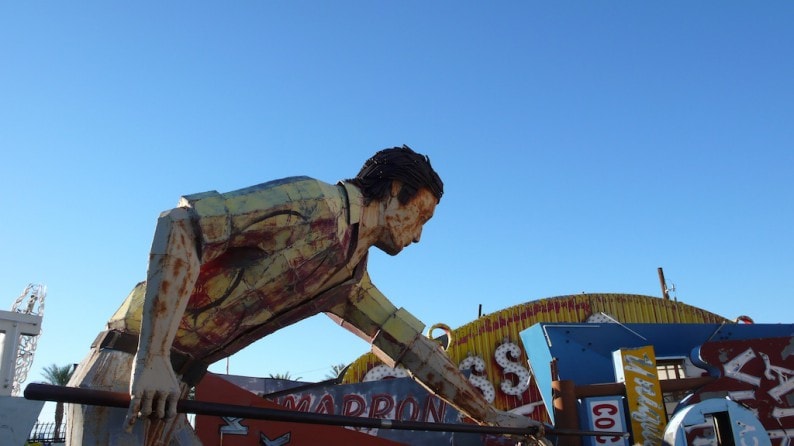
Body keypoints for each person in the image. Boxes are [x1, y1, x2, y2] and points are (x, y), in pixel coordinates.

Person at [67, 145, 540, 445]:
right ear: (395, 191)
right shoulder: (312, 203)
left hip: (167, 389)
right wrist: (151, 361)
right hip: (124, 372)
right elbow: (182, 226)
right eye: (421, 216)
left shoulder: (349, 277)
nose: (418, 236)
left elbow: (416, 352)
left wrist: (492, 417)